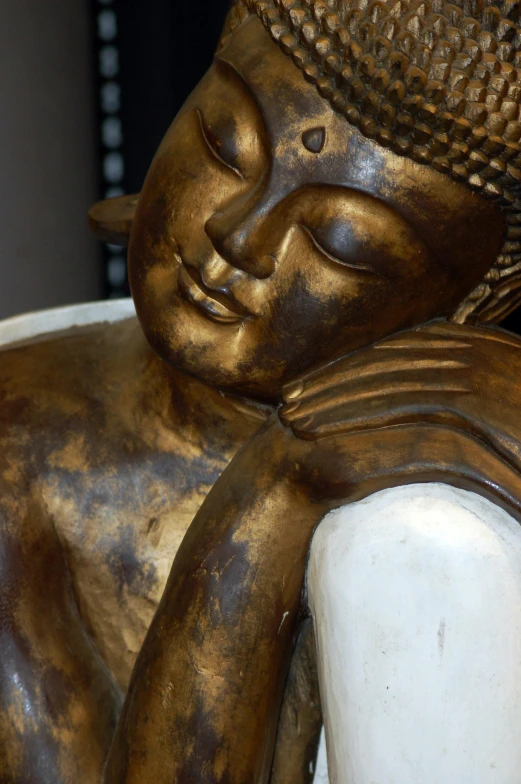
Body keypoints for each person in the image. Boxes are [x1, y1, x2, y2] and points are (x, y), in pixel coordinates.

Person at [2, 0, 521, 781]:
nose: (236, 238)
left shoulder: (440, 514)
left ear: (470, 305)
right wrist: (271, 493)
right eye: (223, 146)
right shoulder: (24, 447)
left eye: (337, 242)